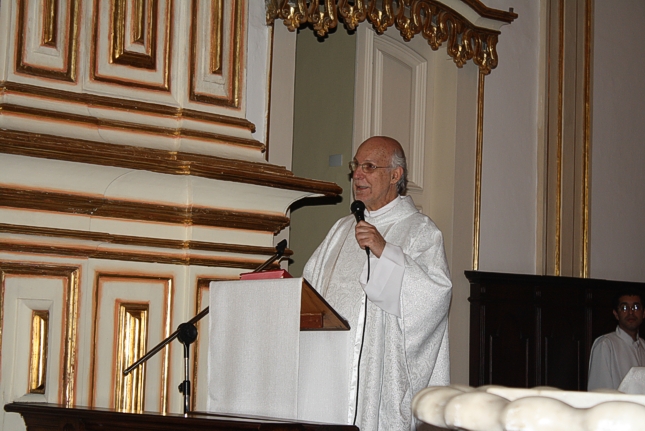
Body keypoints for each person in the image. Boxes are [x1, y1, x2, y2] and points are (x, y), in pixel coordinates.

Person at [303, 136, 452, 431]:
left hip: (379, 378)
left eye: (369, 167)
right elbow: (310, 290)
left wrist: (385, 251)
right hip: (329, 372)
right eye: (356, 166)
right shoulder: (341, 229)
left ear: (395, 175)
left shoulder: (420, 231)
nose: (357, 175)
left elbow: (434, 296)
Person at [587, 290, 645, 391]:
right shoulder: (605, 345)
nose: (631, 312)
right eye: (624, 308)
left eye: (636, 307)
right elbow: (600, 392)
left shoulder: (643, 345)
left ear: (643, 313)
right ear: (616, 314)